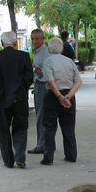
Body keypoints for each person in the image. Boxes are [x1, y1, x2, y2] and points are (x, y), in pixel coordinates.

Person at [0, 31, 33, 169]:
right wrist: (21, 88)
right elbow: (29, 77)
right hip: (19, 98)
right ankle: (20, 157)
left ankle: (8, 160)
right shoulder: (23, 56)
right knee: (20, 128)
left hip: (0, 99)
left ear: (2, 43)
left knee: (3, 130)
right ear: (15, 43)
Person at [40, 37, 82, 165]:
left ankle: (48, 157)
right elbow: (79, 81)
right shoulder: (69, 62)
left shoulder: (48, 62)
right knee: (69, 126)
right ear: (62, 48)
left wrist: (59, 96)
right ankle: (71, 154)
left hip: (53, 96)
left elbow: (50, 81)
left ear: (49, 48)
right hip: (69, 94)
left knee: (49, 127)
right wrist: (68, 96)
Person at [28, 29, 51, 155]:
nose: (34, 41)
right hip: (38, 85)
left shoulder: (44, 52)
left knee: (41, 116)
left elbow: (46, 73)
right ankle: (45, 143)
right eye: (32, 39)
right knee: (42, 115)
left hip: (43, 85)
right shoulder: (38, 51)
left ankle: (41, 144)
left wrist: (35, 69)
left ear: (42, 39)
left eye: (37, 38)